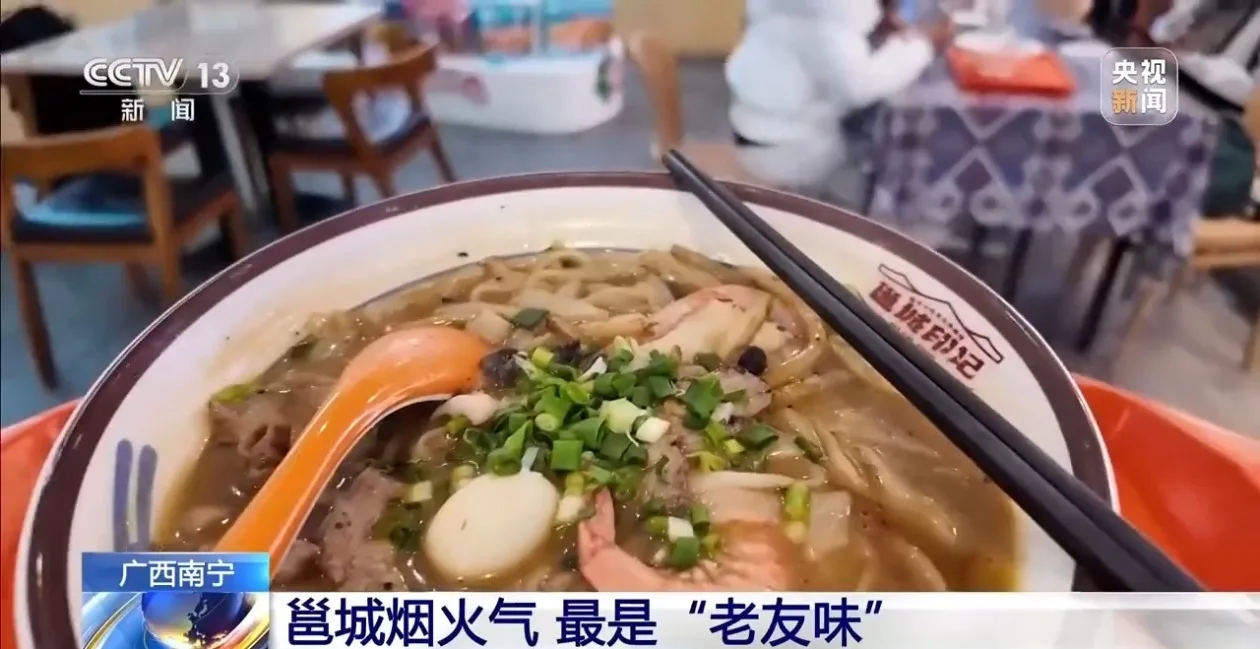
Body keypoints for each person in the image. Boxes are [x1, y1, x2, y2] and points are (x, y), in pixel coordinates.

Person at [725, 0, 954, 190]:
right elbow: (862, 85)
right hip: (790, 151)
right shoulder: (827, 16)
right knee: (891, 147)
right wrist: (924, 46)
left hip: (751, 131)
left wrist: (873, 21)